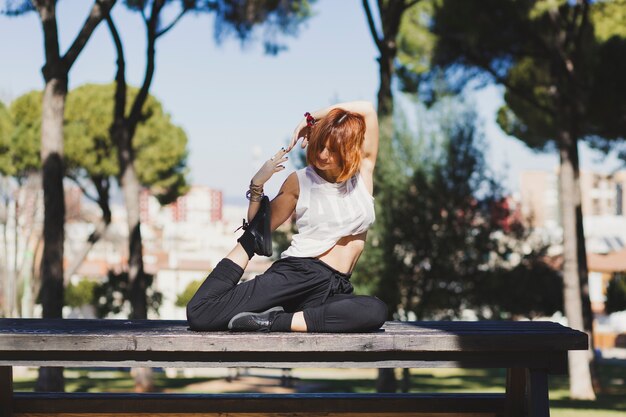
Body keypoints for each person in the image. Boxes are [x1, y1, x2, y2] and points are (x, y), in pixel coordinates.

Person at [186, 101, 388, 332]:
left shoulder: (362, 174)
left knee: (374, 310)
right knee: (201, 313)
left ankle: (273, 321)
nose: (322, 154)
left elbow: (368, 110)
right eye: (320, 145)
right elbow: (260, 227)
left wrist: (310, 117)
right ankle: (276, 318)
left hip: (335, 286)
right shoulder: (301, 181)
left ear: (348, 149)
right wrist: (257, 185)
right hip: (298, 273)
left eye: (332, 149)